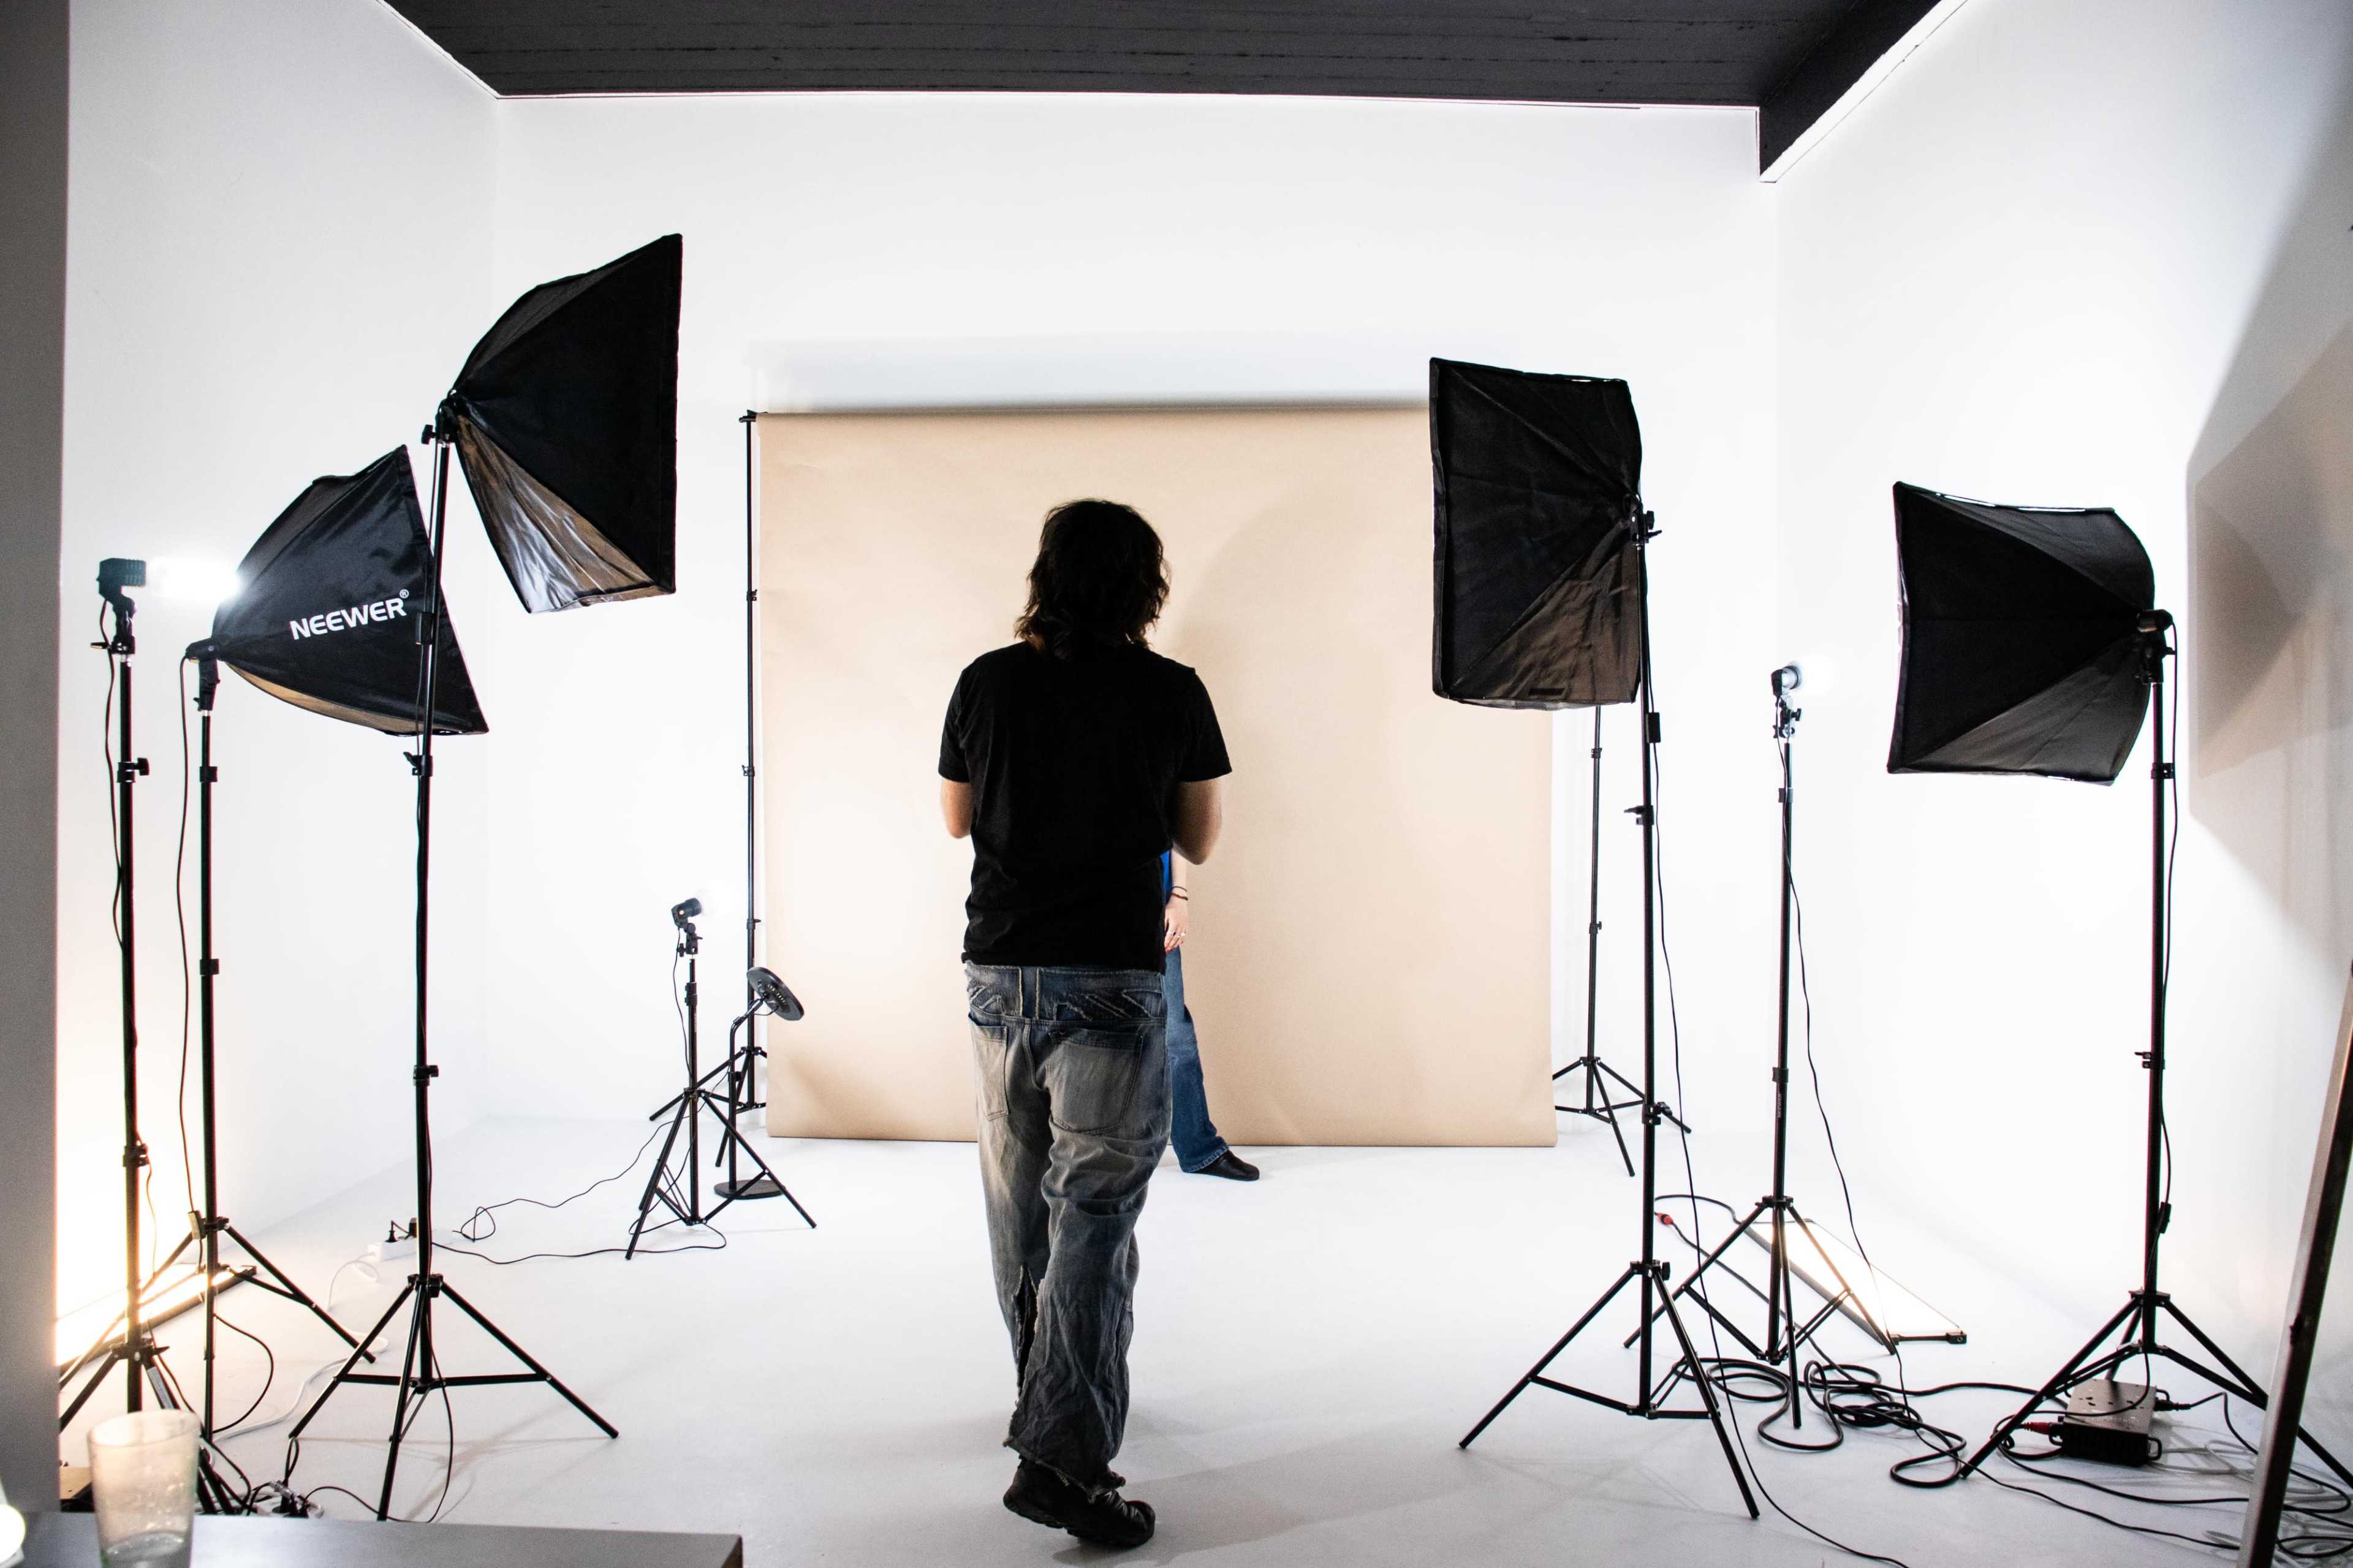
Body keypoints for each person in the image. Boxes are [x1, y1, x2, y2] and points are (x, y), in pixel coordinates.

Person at [938, 498, 1230, 1551]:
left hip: (1000, 974)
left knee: (1022, 1211)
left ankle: (1049, 1396)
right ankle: (1062, 1456)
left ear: (1046, 577)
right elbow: (1200, 836)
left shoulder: (986, 680)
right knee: (1094, 1218)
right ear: (1147, 586)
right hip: (1110, 977)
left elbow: (957, 817)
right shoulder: (1174, 689)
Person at [1159, 852, 1258, 1181]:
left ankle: (1199, 1150)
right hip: (1089, 902)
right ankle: (1088, 1155)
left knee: (1174, 1033)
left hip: (1154, 900)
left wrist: (1179, 895)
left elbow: (1179, 832)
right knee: (1092, 1032)